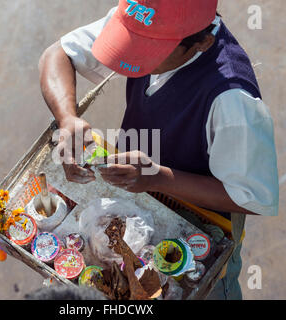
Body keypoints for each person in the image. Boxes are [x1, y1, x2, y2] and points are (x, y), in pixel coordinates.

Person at [38, 0, 279, 299]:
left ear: (201, 43)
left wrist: (157, 177)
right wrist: (67, 119)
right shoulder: (145, 19)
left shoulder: (233, 101)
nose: (132, 56)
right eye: (129, 43)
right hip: (136, 184)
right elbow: (58, 54)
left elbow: (253, 197)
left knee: (198, 286)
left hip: (199, 220)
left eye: (147, 52)